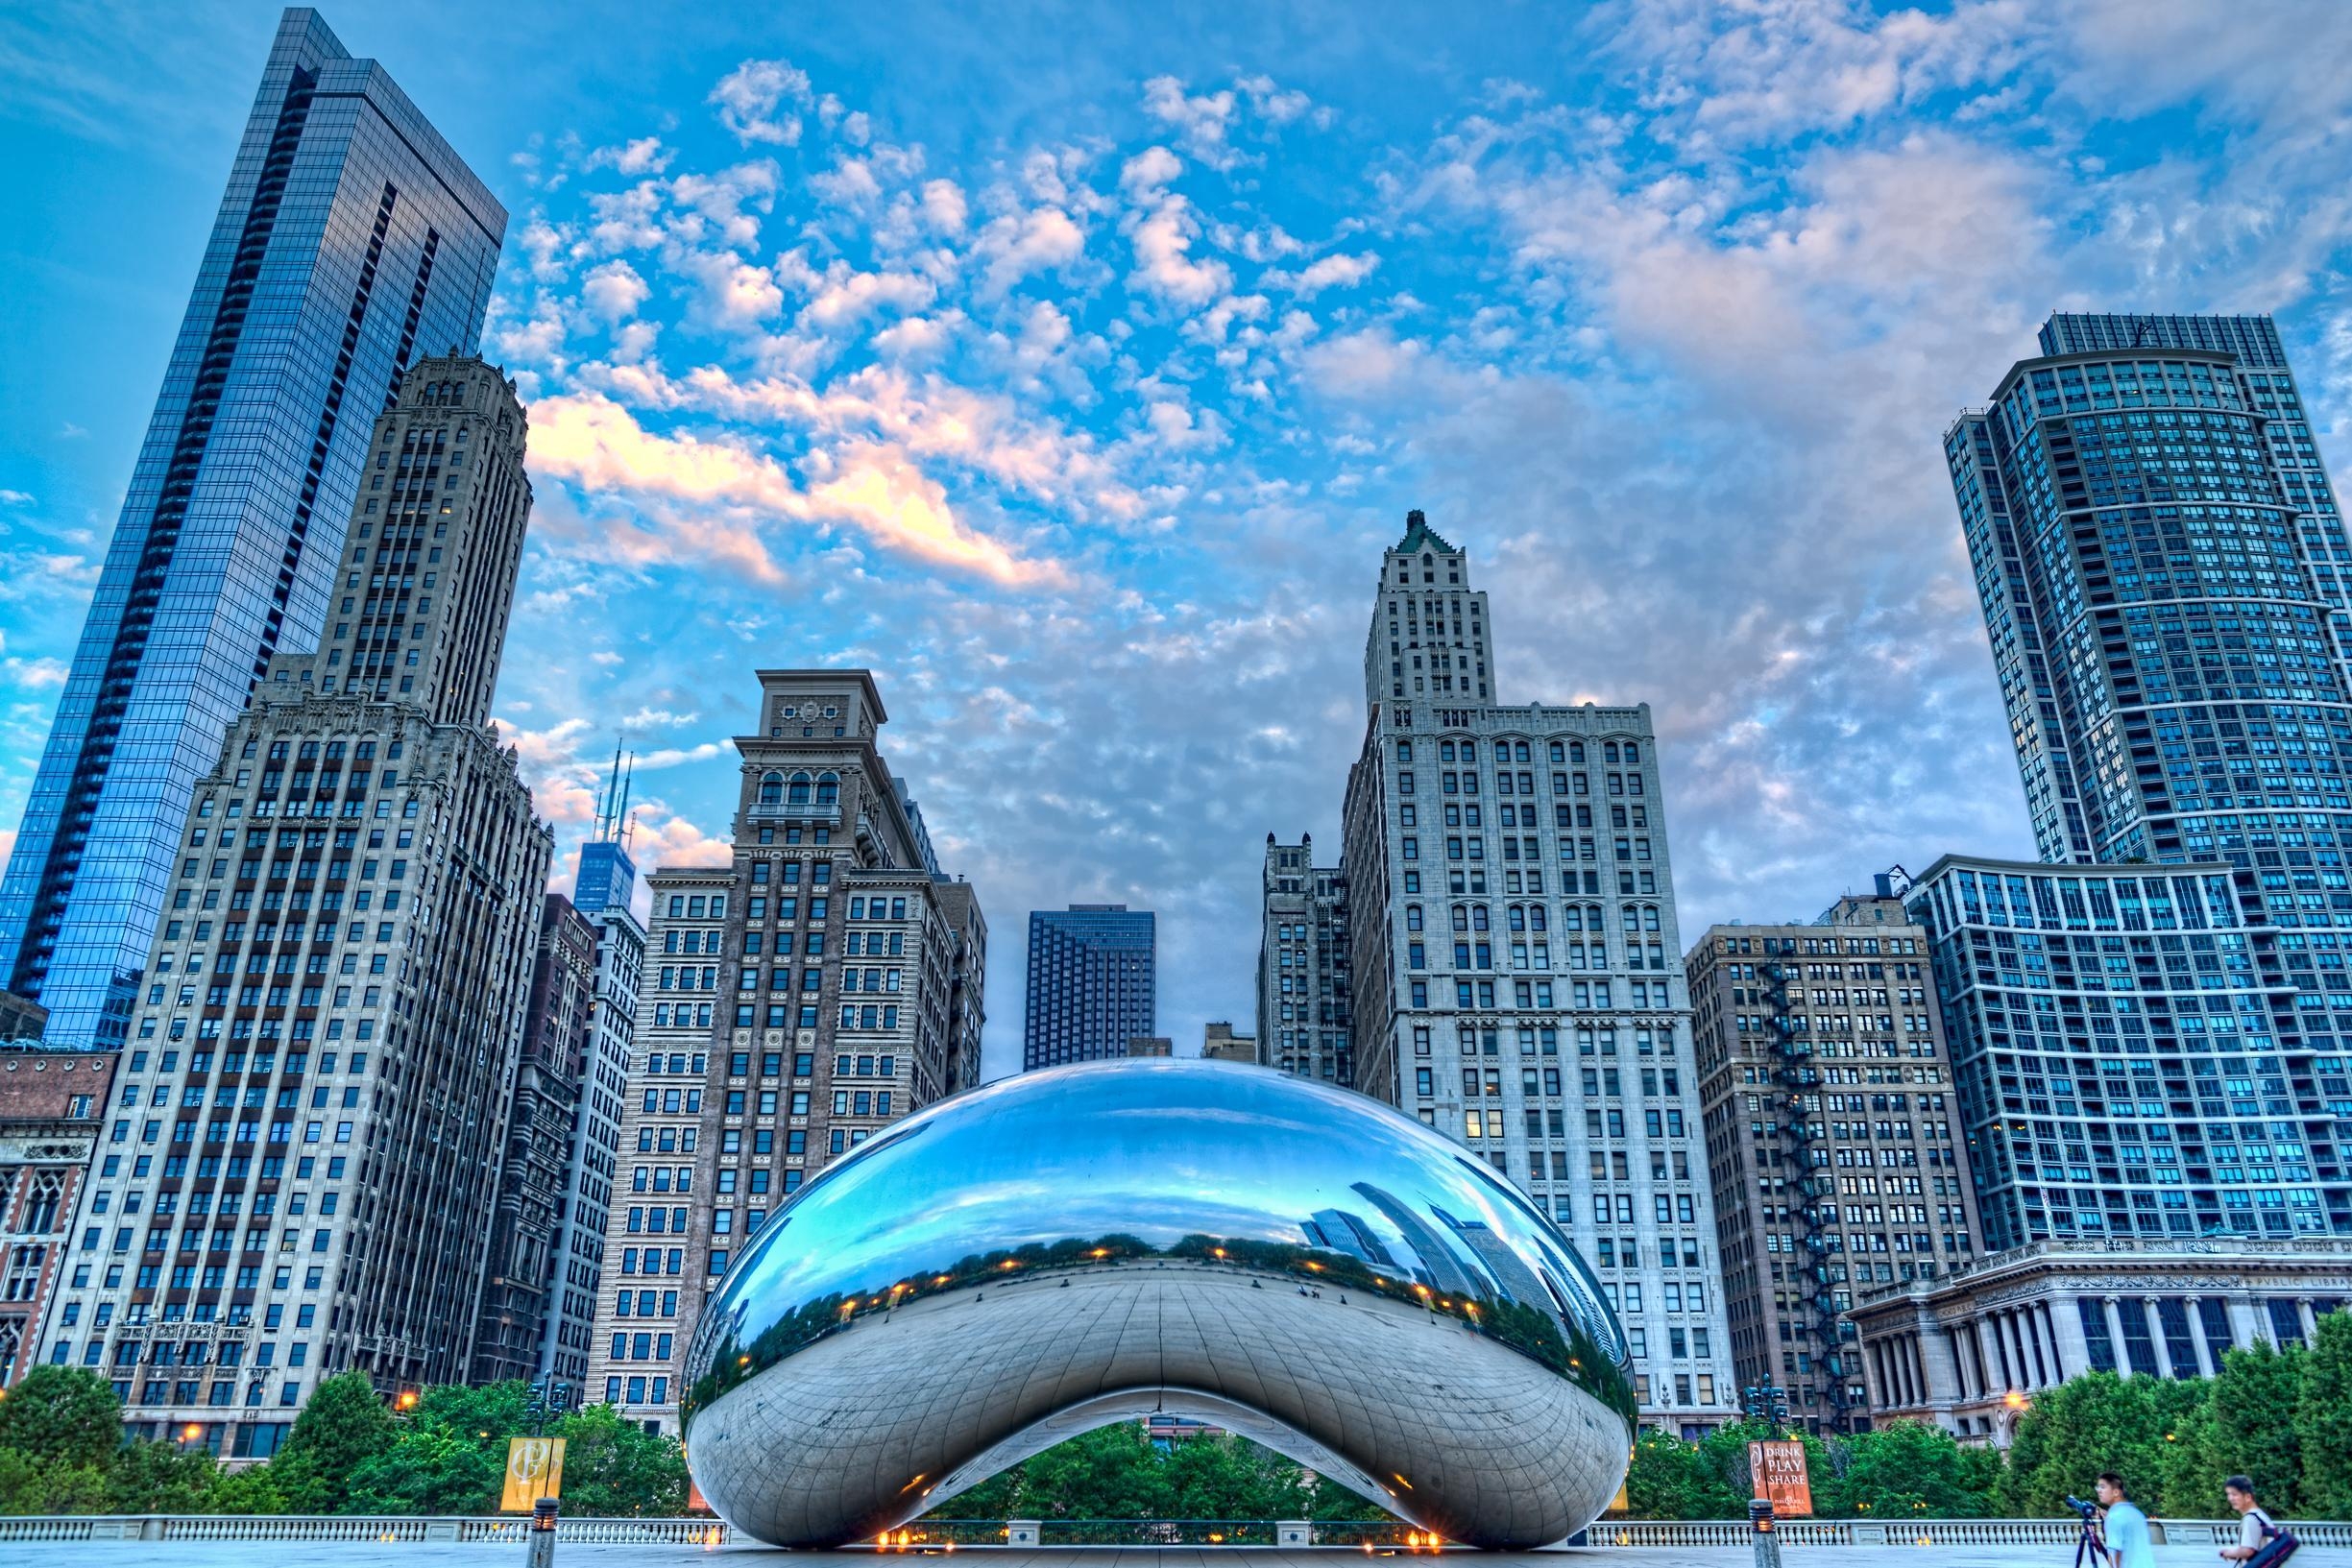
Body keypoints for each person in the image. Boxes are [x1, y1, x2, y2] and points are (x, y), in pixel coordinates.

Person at [2098, 1472, 2155, 1568]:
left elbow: (2115, 1554)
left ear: (2116, 1492)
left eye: (2103, 1487)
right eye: (2098, 1487)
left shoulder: (2114, 1517)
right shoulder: (2137, 1514)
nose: (2099, 1491)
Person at [2222, 1477, 2266, 1563]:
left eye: (2234, 1494)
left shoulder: (2251, 1518)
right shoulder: (2260, 1515)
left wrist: (2228, 1553)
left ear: (2248, 1497)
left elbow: (2248, 1551)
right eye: (2228, 1494)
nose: (2230, 1498)